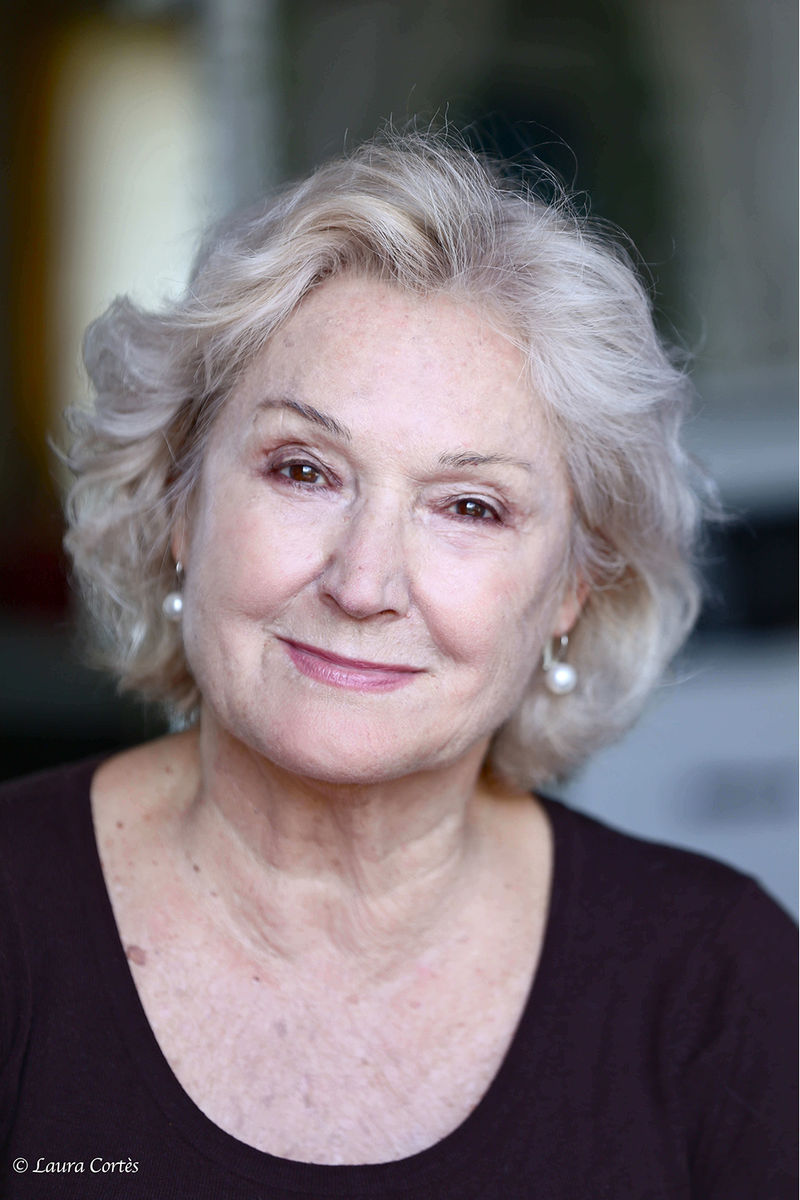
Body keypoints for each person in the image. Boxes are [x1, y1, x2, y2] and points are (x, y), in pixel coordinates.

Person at [0, 128, 795, 1199]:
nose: (363, 582)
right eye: (303, 470)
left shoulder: (721, 983)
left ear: (573, 587)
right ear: (179, 505)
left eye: (469, 506)